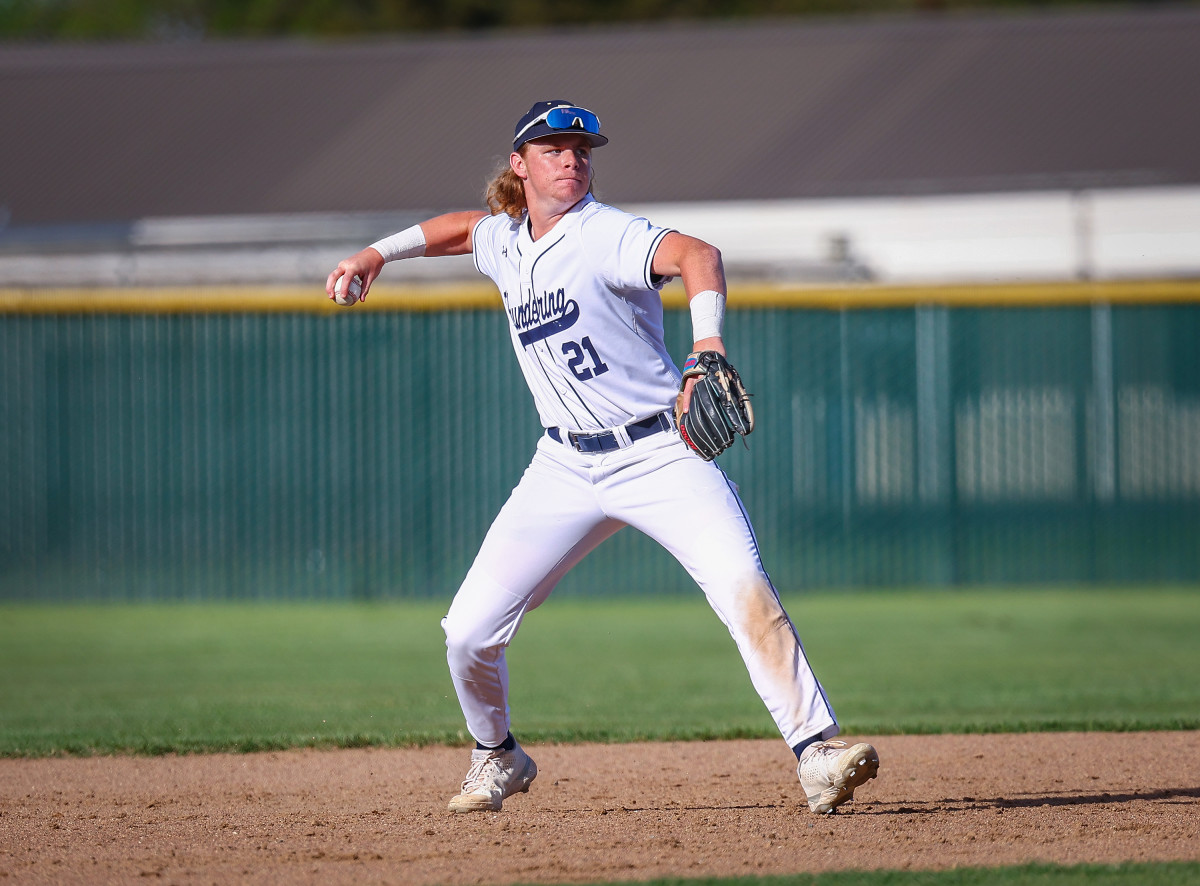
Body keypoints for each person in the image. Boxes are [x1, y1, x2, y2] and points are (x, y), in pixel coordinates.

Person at [327, 100, 879, 815]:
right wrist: (376, 254)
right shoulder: (506, 239)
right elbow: (464, 229)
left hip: (659, 452)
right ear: (520, 165)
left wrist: (706, 342)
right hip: (562, 466)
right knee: (466, 632)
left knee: (745, 588)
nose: (572, 158)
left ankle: (817, 753)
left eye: (581, 149)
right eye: (553, 148)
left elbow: (696, 255)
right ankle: (497, 755)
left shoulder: (606, 233)